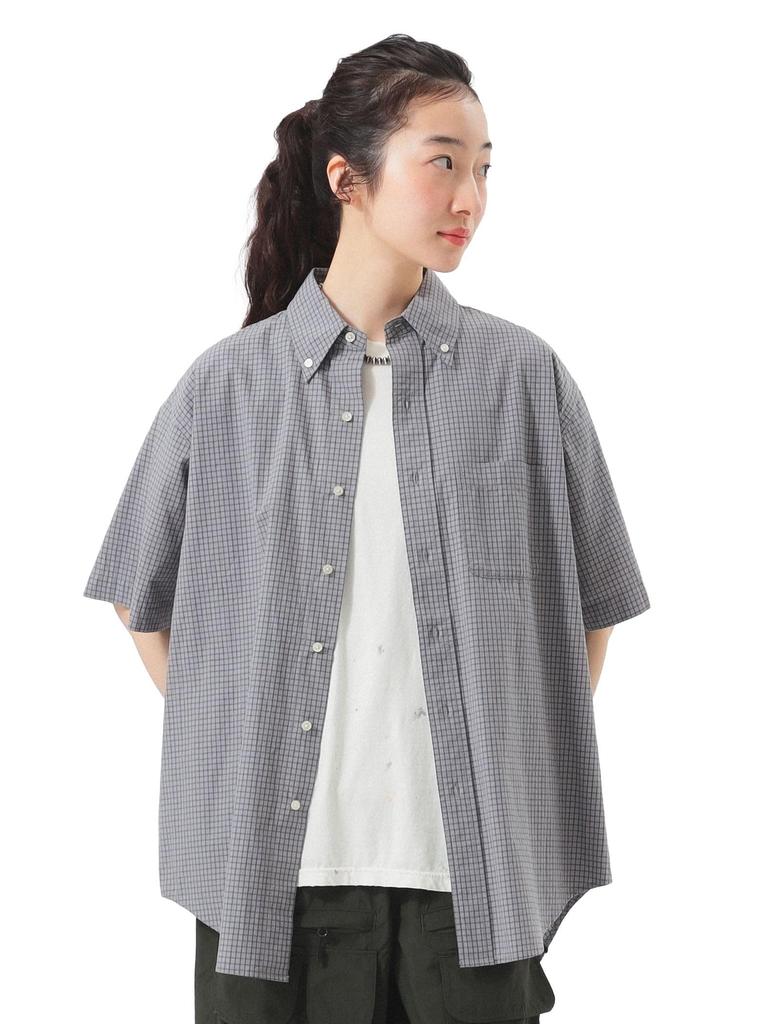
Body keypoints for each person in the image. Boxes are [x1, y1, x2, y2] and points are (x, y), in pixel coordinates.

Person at [83, 33, 650, 1024]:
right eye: (444, 163)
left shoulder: (522, 379)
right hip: (273, 881)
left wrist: (499, 753)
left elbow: (592, 605)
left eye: (484, 169)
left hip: (472, 883)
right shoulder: (230, 387)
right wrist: (246, 728)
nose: (471, 197)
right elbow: (141, 594)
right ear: (348, 179)